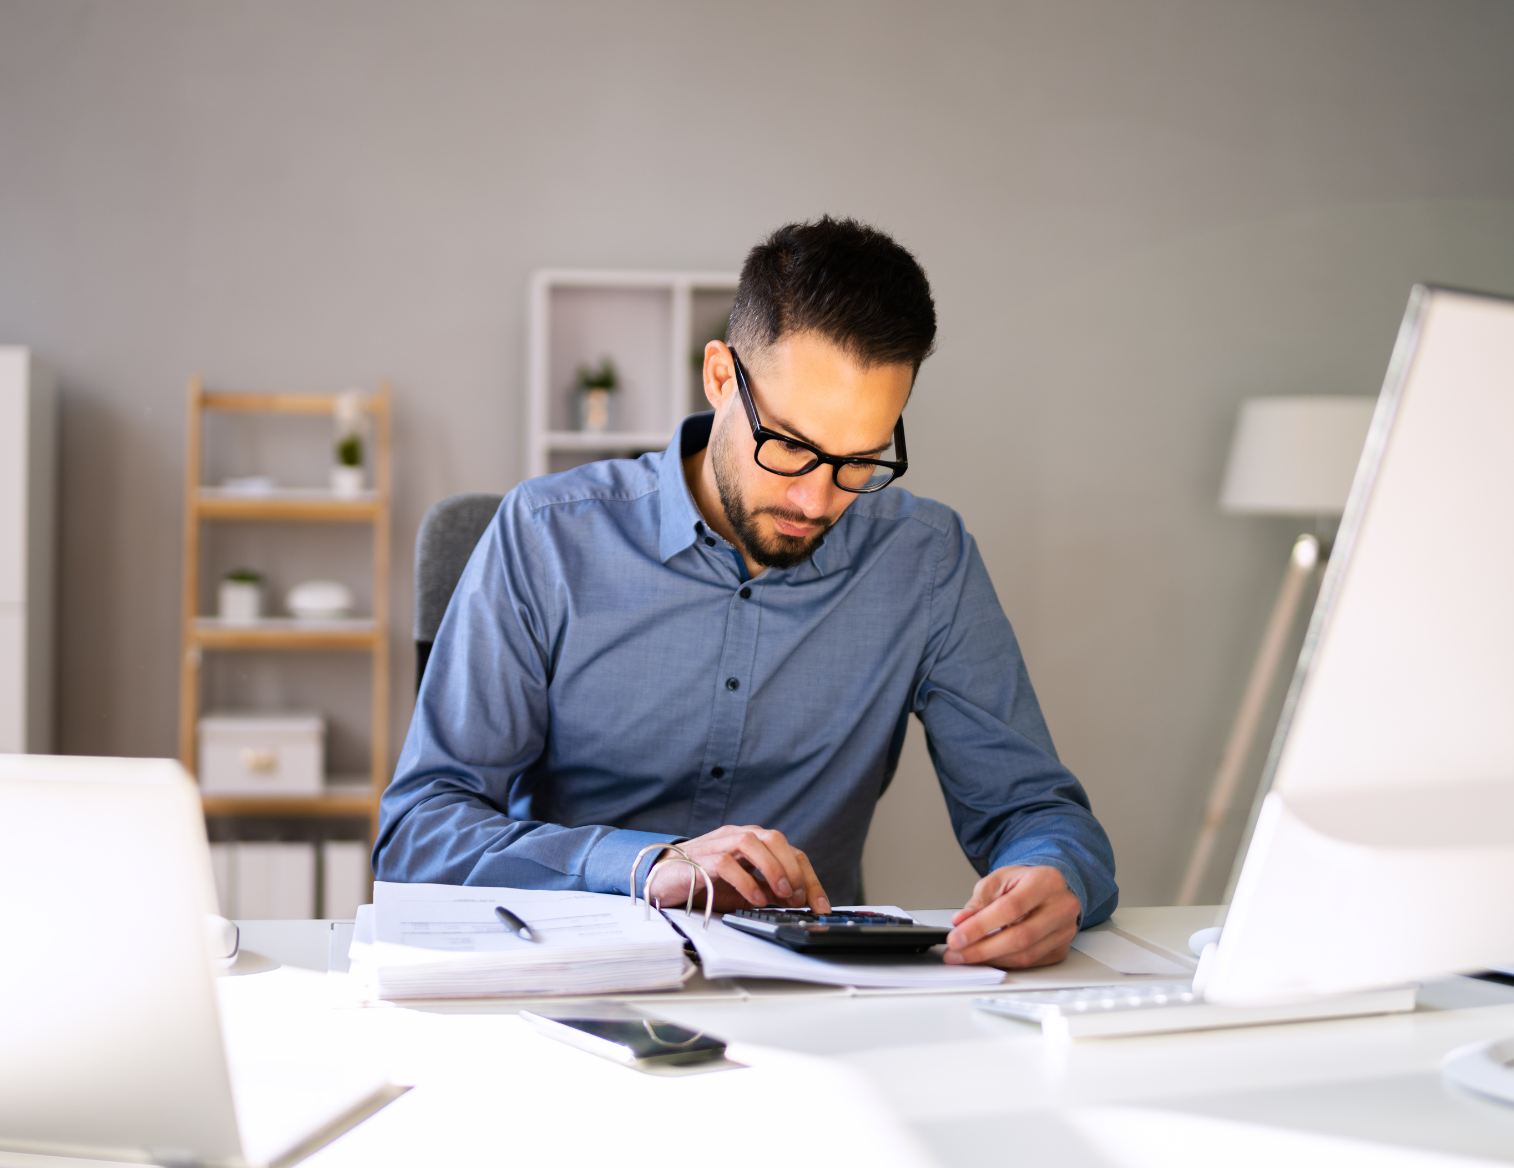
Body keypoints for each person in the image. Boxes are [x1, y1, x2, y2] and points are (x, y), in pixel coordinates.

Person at [375, 216, 1116, 968]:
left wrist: (1054, 875)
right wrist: (645, 865)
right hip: (565, 978)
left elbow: (1032, 808)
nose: (817, 500)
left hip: (812, 991)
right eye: (790, 447)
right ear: (722, 377)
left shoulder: (925, 560)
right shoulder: (547, 536)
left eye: (860, 461)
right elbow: (419, 835)